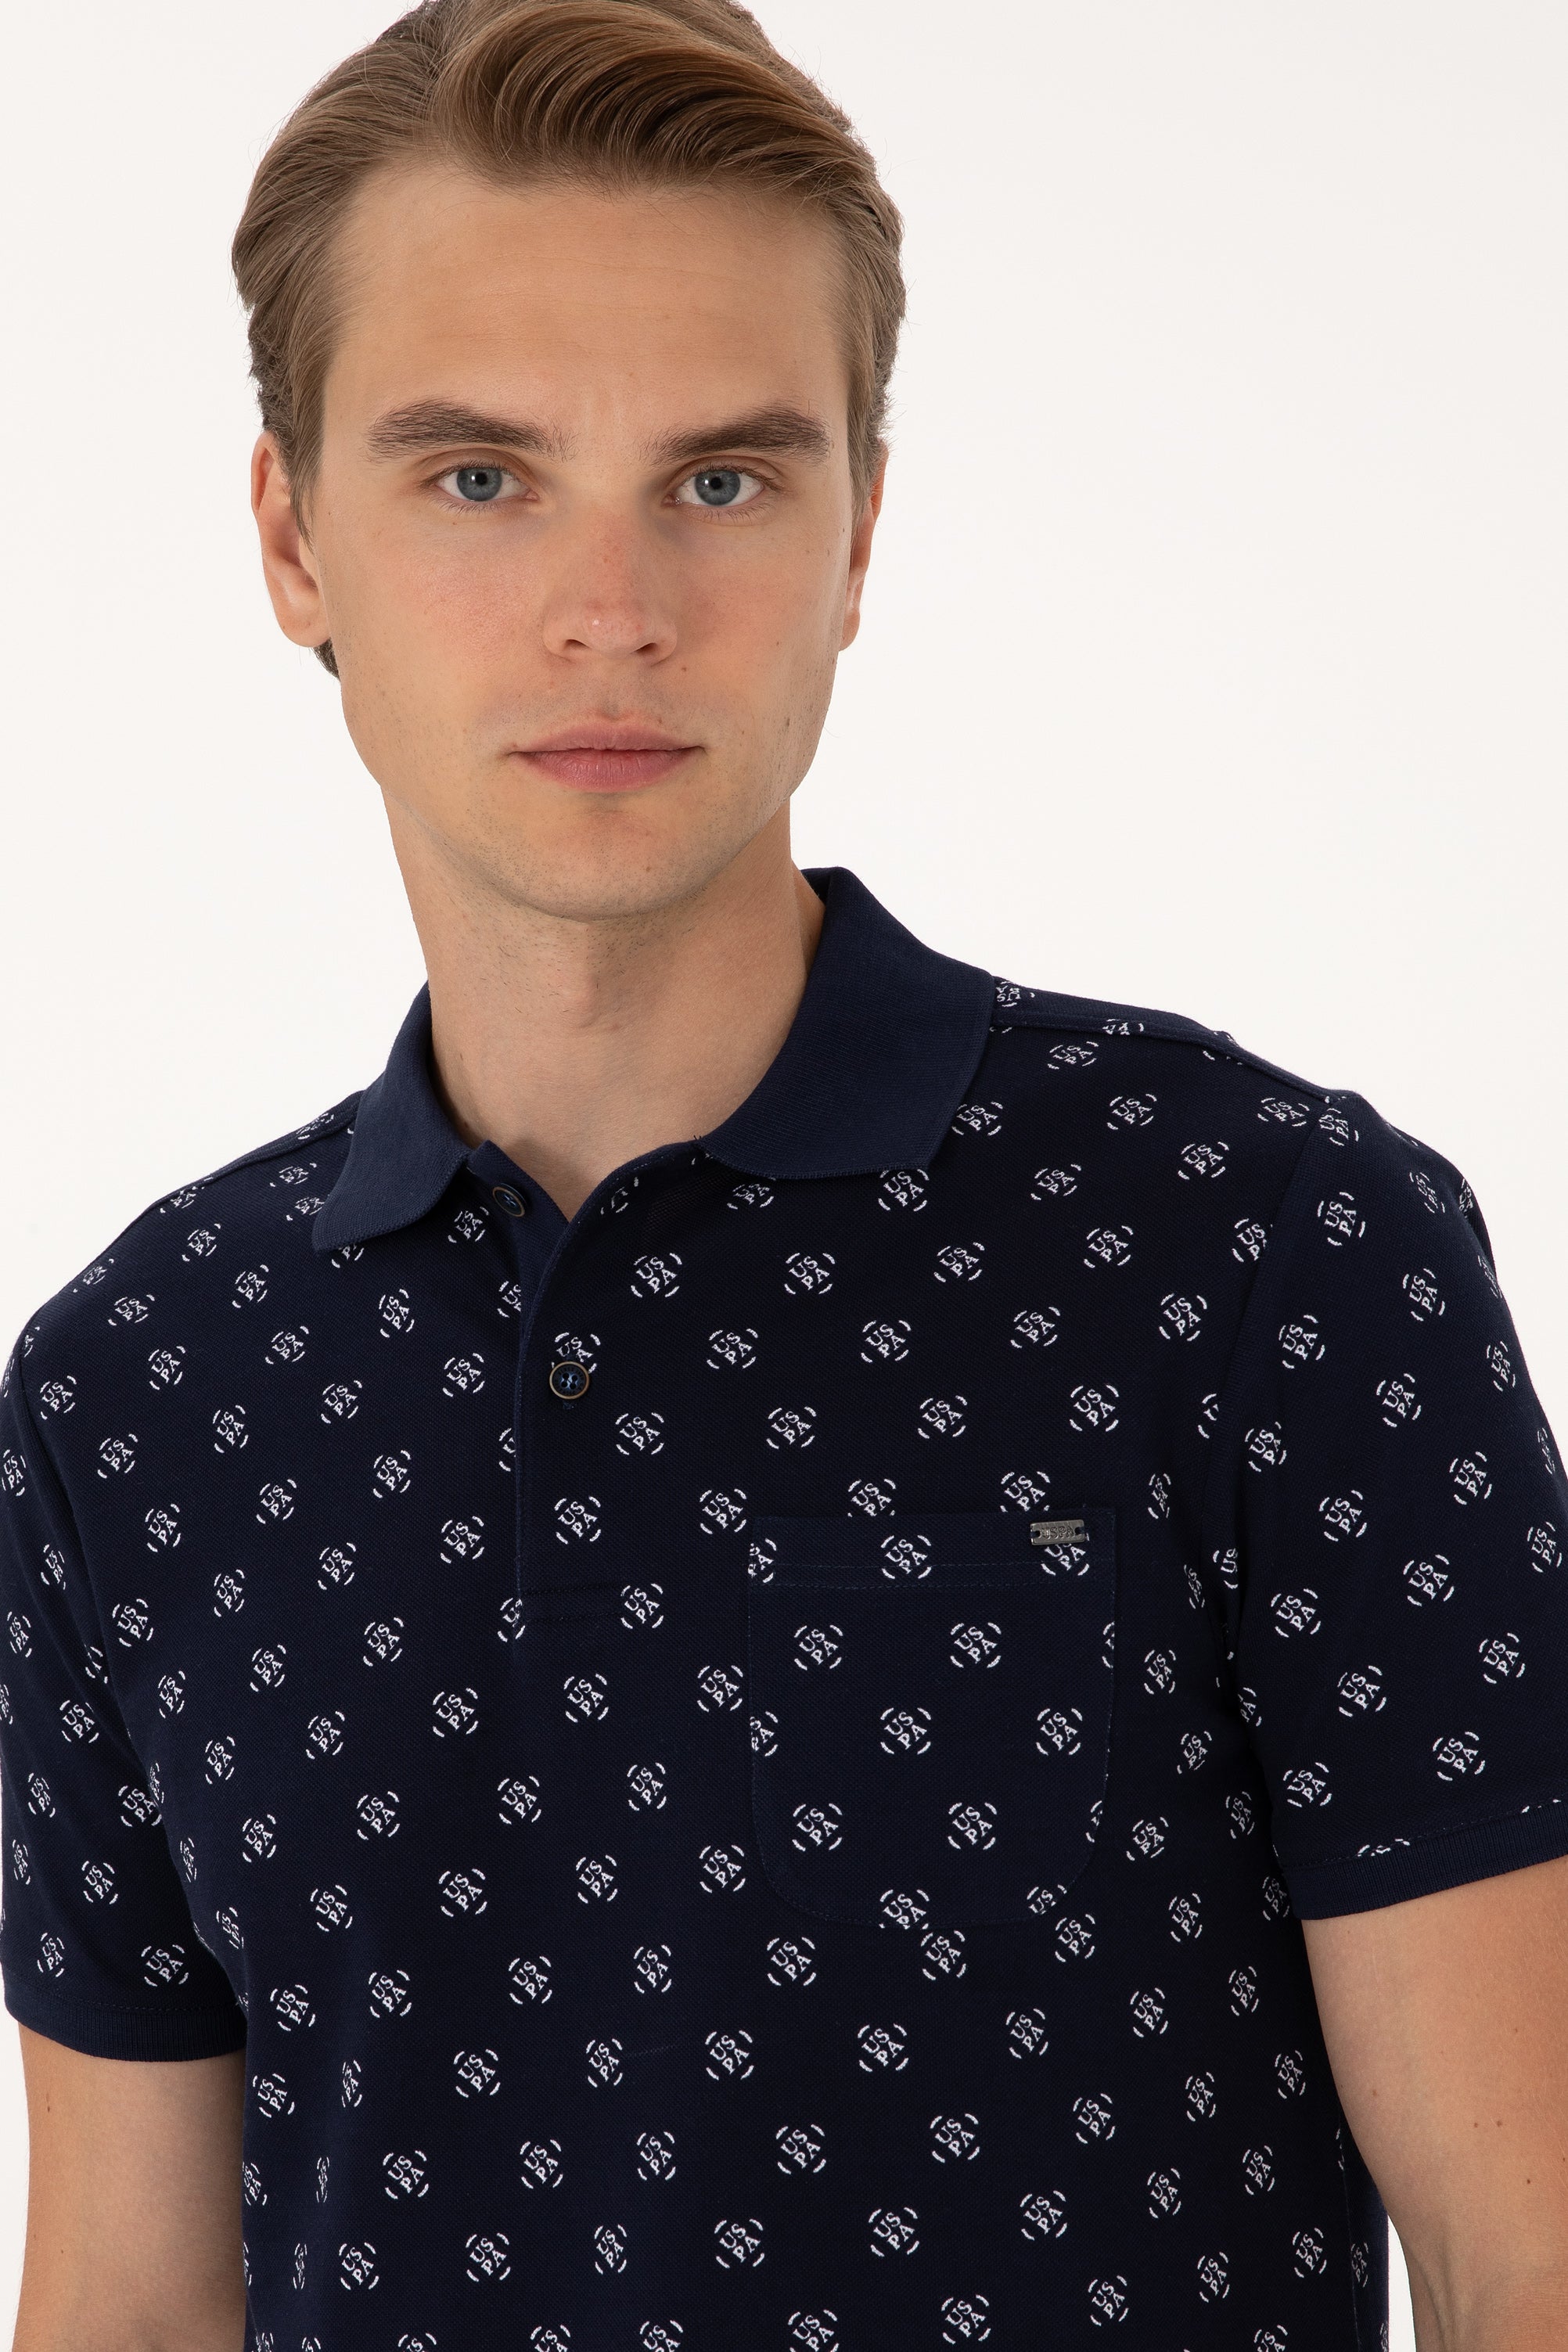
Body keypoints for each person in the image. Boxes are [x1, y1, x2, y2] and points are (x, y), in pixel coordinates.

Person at [4, 2, 1567, 2346]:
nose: (614, 607)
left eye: (724, 481)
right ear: (293, 538)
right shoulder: (135, 1393)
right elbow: (128, 2303)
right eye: (479, 478)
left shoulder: (1261, 1244)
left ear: (859, 538)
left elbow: (1527, 2241)